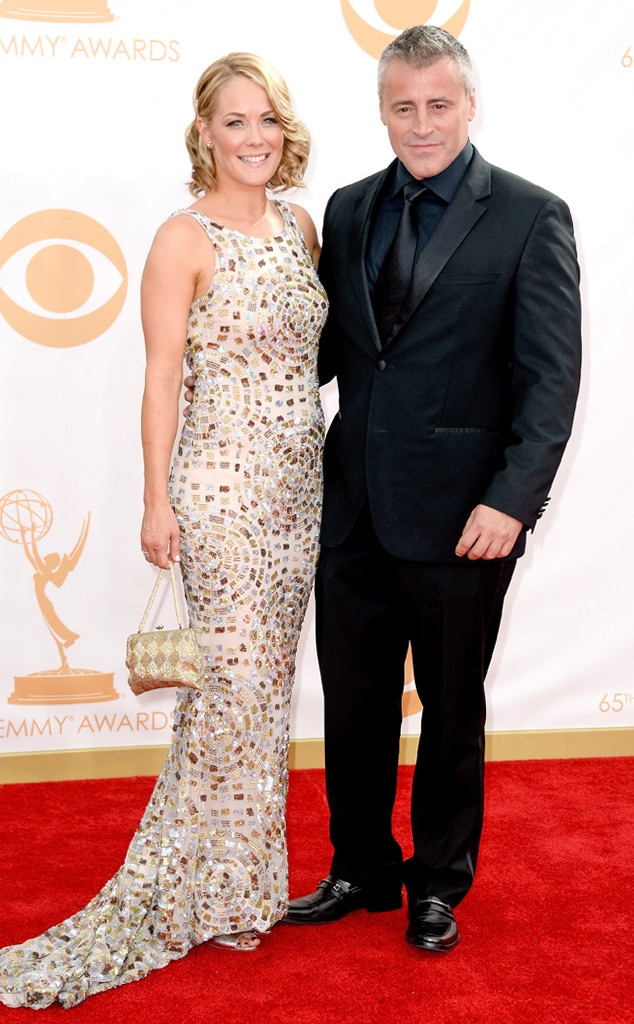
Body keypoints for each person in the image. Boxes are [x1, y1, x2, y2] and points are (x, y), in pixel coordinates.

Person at [0, 52, 327, 1009]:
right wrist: (157, 499)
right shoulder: (182, 239)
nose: (254, 137)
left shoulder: (299, 226)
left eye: (266, 119)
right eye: (234, 122)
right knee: (224, 693)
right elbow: (159, 377)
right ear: (203, 134)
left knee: (263, 697)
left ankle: (242, 887)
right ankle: (201, 889)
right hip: (219, 492)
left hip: (297, 492)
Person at [279, 25, 582, 951]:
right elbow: (331, 353)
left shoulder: (531, 214)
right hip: (355, 506)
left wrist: (511, 499)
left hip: (465, 520)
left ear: (470, 103)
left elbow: (551, 377)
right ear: (381, 110)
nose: (421, 124)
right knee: (356, 703)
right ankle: (361, 865)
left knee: (452, 711)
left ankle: (438, 884)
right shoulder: (348, 205)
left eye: (438, 104)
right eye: (402, 106)